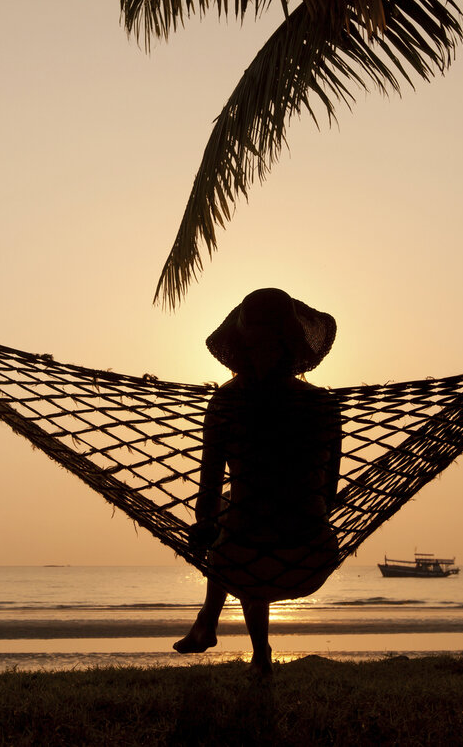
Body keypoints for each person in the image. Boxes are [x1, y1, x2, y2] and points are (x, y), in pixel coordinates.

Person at [173, 288, 342, 673]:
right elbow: (328, 494)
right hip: (311, 555)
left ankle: (212, 624)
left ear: (241, 343)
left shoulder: (227, 403)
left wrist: (204, 528)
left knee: (237, 523)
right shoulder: (323, 405)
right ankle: (255, 654)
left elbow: (208, 490)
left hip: (242, 560)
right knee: (248, 518)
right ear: (293, 342)